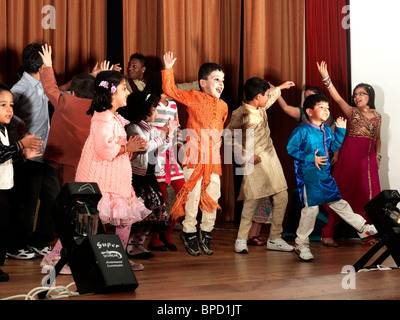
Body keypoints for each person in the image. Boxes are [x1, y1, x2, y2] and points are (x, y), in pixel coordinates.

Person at [75, 71, 151, 271]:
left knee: (124, 220)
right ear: (111, 93)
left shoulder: (115, 118)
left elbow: (117, 150)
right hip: (100, 179)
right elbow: (104, 149)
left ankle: (118, 256)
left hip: (117, 181)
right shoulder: (102, 118)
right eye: (124, 88)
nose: (127, 93)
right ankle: (61, 259)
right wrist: (128, 148)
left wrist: (131, 149)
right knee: (87, 223)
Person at [287, 94, 378, 261]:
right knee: (311, 209)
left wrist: (341, 131)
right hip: (309, 177)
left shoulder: (327, 130)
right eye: (321, 107)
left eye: (327, 107)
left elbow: (334, 146)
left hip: (325, 176)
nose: (326, 110)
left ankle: (362, 228)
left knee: (339, 203)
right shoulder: (302, 131)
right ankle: (301, 244)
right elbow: (291, 149)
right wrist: (310, 158)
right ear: (309, 111)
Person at [162, 51, 228, 256]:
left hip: (213, 160)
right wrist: (168, 68)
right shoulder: (193, 97)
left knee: (212, 197)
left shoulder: (224, 106)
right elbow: (170, 89)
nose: (221, 83)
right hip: (193, 158)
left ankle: (206, 233)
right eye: (216, 79)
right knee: (192, 197)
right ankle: (189, 232)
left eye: (223, 80)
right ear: (202, 83)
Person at [227, 77, 295, 254]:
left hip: (270, 158)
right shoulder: (240, 113)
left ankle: (275, 238)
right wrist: (247, 156)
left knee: (282, 196)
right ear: (257, 96)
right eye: (265, 94)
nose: (268, 97)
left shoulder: (261, 106)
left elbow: (271, 97)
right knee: (252, 200)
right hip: (254, 161)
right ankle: (241, 239)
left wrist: (279, 87)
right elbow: (227, 137)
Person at [317, 61, 382, 246]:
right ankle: (327, 233)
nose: (357, 97)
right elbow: (337, 99)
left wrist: (378, 155)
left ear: (370, 96)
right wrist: (326, 79)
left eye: (362, 93)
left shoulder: (378, 116)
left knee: (368, 196)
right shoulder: (352, 112)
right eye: (355, 94)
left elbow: (378, 138)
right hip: (350, 157)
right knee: (342, 192)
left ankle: (367, 234)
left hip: (368, 161)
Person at [7, 43, 60, 260]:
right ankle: (16, 245)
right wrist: (19, 122)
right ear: (41, 64)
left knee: (55, 197)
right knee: (26, 203)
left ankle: (40, 240)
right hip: (27, 156)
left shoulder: (44, 85)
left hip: (45, 154)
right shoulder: (20, 88)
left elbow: (60, 92)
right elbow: (5, 109)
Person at [120, 91, 176, 259]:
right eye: (154, 108)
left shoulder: (149, 128)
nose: (157, 112)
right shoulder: (133, 128)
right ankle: (130, 245)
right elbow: (143, 147)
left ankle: (139, 244)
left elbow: (158, 149)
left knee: (153, 214)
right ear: (143, 110)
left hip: (150, 175)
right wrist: (162, 136)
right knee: (139, 215)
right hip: (138, 178)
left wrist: (168, 135)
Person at [0, 83, 43, 281]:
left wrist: (24, 153)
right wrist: (20, 145)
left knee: (4, 225)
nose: (10, 110)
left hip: (5, 186)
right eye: (3, 105)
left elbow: (8, 156)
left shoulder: (6, 129)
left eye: (11, 105)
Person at [39, 44, 94, 185]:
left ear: (73, 93)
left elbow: (50, 88)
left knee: (68, 192)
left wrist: (48, 66)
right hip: (92, 159)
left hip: (66, 159)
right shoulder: (99, 108)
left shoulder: (66, 102)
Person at [144, 71, 186, 251]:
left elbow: (176, 130)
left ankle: (167, 231)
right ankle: (155, 238)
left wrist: (179, 142)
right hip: (154, 154)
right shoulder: (150, 103)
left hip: (170, 155)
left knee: (184, 193)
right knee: (160, 199)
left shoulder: (173, 105)